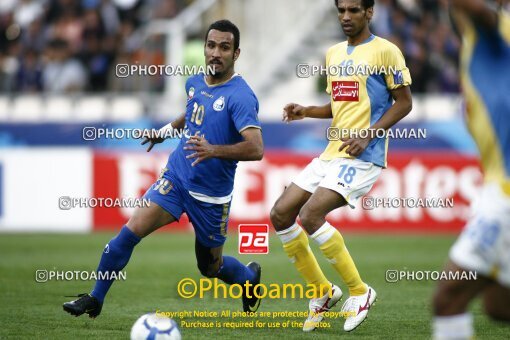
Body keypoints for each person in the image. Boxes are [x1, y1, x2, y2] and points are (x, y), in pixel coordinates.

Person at [63, 19, 264, 318]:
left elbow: (256, 148)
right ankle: (95, 297)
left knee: (210, 268)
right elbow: (194, 110)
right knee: (130, 232)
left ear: (236, 54)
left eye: (224, 47)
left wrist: (214, 150)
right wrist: (165, 131)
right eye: (211, 45)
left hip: (211, 197)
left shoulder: (241, 97)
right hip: (177, 178)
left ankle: (248, 279)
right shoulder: (195, 82)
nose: (215, 53)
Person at [269, 0, 412, 332]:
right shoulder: (333, 54)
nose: (346, 17)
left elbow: (404, 102)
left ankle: (360, 291)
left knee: (310, 216)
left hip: (364, 155)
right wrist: (307, 110)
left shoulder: (386, 51)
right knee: (280, 214)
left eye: (353, 10)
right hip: (333, 152)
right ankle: (321, 291)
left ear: (369, 13)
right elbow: (339, 104)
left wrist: (367, 134)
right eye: (341, 10)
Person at [432, 1, 510, 338]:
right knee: (498, 306)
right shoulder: (478, 46)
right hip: (497, 188)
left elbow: (479, 11)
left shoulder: (495, 32)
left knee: (448, 299)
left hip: (506, 193)